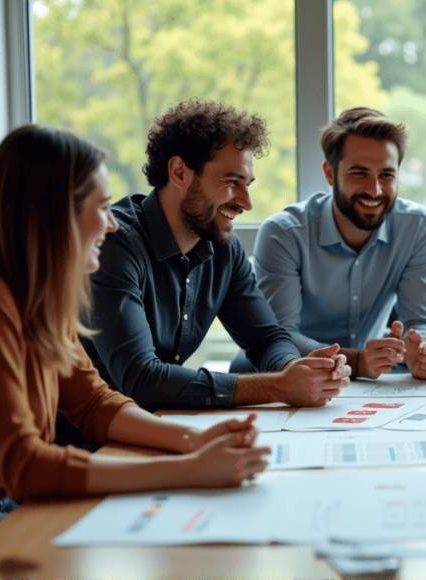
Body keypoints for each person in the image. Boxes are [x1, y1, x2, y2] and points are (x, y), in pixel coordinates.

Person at [0, 126, 271, 567]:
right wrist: (188, 469)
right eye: (103, 208)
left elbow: (94, 405)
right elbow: (24, 465)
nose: (111, 224)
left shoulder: (34, 293)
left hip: (3, 503)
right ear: (56, 213)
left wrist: (195, 439)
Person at [84, 99, 349, 411]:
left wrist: (295, 369)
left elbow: (266, 338)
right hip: (90, 440)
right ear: (179, 172)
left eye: (247, 184)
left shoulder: (222, 246)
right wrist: (279, 386)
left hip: (156, 425)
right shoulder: (113, 246)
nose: (247, 202)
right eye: (231, 182)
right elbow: (142, 379)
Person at [239, 107, 426, 380]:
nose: (375, 190)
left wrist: (421, 346)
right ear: (330, 173)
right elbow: (279, 338)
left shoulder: (416, 226)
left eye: (387, 175)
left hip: (371, 379)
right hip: (292, 375)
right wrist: (356, 361)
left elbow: (421, 321)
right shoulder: (284, 233)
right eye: (359, 173)